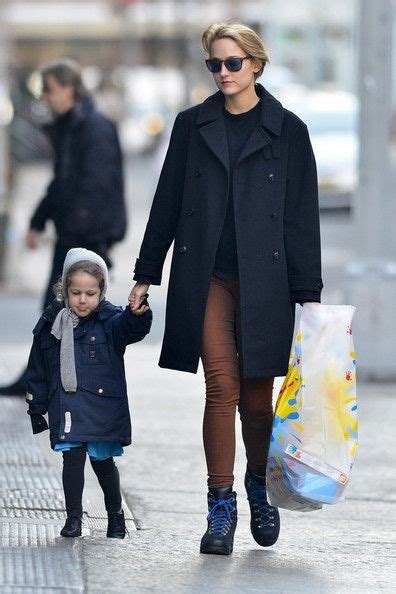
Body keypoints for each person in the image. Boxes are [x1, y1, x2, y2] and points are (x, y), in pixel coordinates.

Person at [129, 22, 323, 555]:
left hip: (268, 283)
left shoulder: (289, 131)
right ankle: (220, 507)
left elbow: (302, 219)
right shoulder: (192, 126)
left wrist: (309, 295)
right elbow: (166, 202)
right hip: (207, 276)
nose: (222, 73)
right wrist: (145, 274)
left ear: (256, 64)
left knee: (258, 404)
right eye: (214, 64)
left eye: (232, 63)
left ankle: (258, 489)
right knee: (221, 389)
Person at [0, 58, 126, 396]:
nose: (46, 97)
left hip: (85, 237)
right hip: (73, 234)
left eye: (50, 90)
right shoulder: (71, 127)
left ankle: (61, 382)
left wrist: (94, 243)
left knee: (73, 311)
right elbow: (61, 183)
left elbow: (100, 187)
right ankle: (40, 378)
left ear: (69, 89)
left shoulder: (93, 127)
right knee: (58, 309)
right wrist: (38, 221)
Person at [26, 248, 151, 538]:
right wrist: (37, 407)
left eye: (90, 293)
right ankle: (73, 520)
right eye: (76, 292)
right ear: (65, 291)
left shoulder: (111, 322)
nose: (83, 300)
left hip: (101, 407)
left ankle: (115, 515)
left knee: (103, 464)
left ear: (101, 292)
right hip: (66, 405)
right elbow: (38, 370)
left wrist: (137, 314)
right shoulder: (50, 325)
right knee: (72, 462)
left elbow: (132, 329)